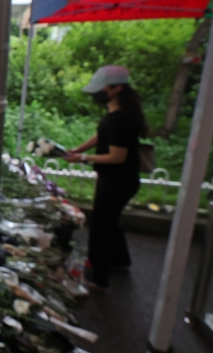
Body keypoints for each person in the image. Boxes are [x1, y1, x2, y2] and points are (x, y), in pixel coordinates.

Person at [64, 65, 148, 291]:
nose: (97, 94)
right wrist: (77, 149)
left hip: (118, 182)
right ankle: (120, 262)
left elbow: (117, 156)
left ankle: (98, 278)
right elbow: (101, 135)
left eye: (102, 89)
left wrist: (83, 157)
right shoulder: (116, 114)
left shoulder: (121, 119)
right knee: (111, 221)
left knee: (101, 227)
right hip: (118, 180)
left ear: (117, 88)